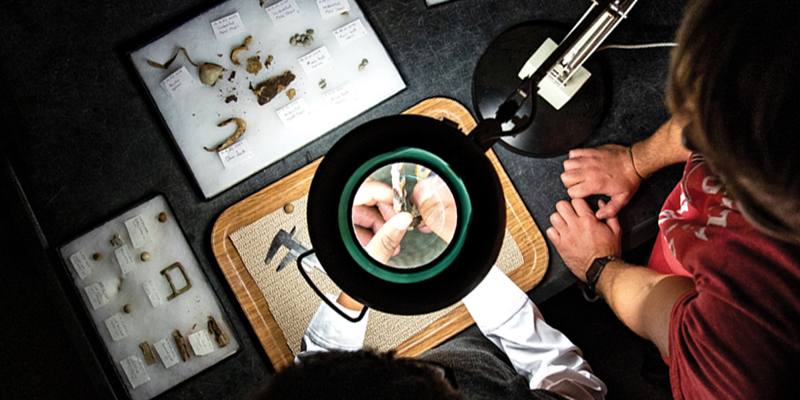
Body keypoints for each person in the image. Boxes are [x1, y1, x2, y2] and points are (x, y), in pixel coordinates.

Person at [545, 0, 800, 398]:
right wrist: (635, 161)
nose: (690, 136)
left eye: (704, 136)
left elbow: (664, 315)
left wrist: (598, 267)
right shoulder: (773, 62)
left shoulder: (738, 371)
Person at [253, 174, 608, 400]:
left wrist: (356, 284)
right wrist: (460, 257)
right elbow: (561, 370)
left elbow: (316, 379)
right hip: (494, 360)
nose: (430, 366)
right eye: (438, 376)